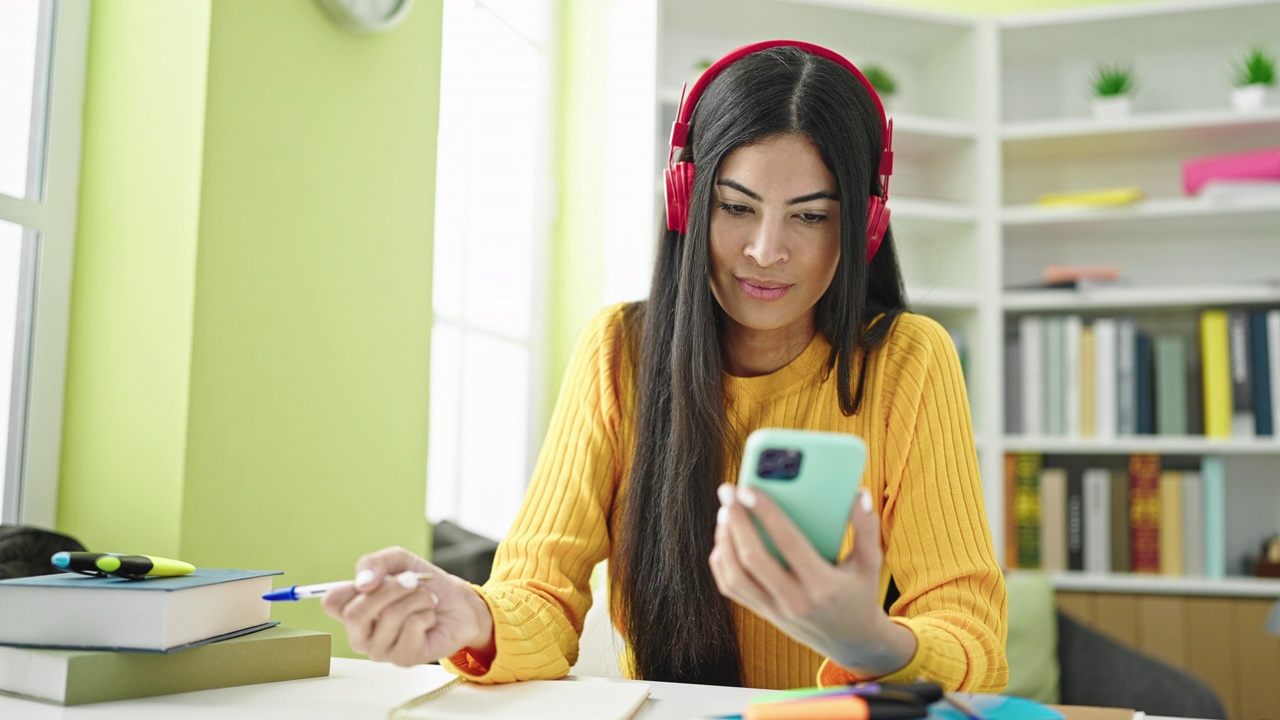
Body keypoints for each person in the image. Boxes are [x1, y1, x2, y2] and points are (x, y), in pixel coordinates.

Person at [323, 40, 1008, 693]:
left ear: (864, 226)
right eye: (736, 207)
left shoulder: (907, 360)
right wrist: (472, 617)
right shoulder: (618, 349)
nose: (766, 251)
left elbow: (971, 634)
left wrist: (870, 642)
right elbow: (538, 594)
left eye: (810, 217)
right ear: (686, 201)